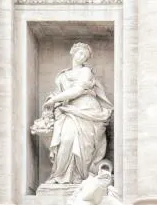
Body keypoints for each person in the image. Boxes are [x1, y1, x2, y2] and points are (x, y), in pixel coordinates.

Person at [33, 43, 113, 185]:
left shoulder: (86, 72)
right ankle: (60, 176)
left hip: (86, 110)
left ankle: (79, 176)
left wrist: (55, 99)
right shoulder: (62, 75)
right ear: (73, 52)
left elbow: (77, 90)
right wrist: (52, 101)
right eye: (80, 53)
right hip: (67, 111)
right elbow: (59, 93)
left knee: (80, 143)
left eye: (85, 56)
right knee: (66, 138)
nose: (82, 57)